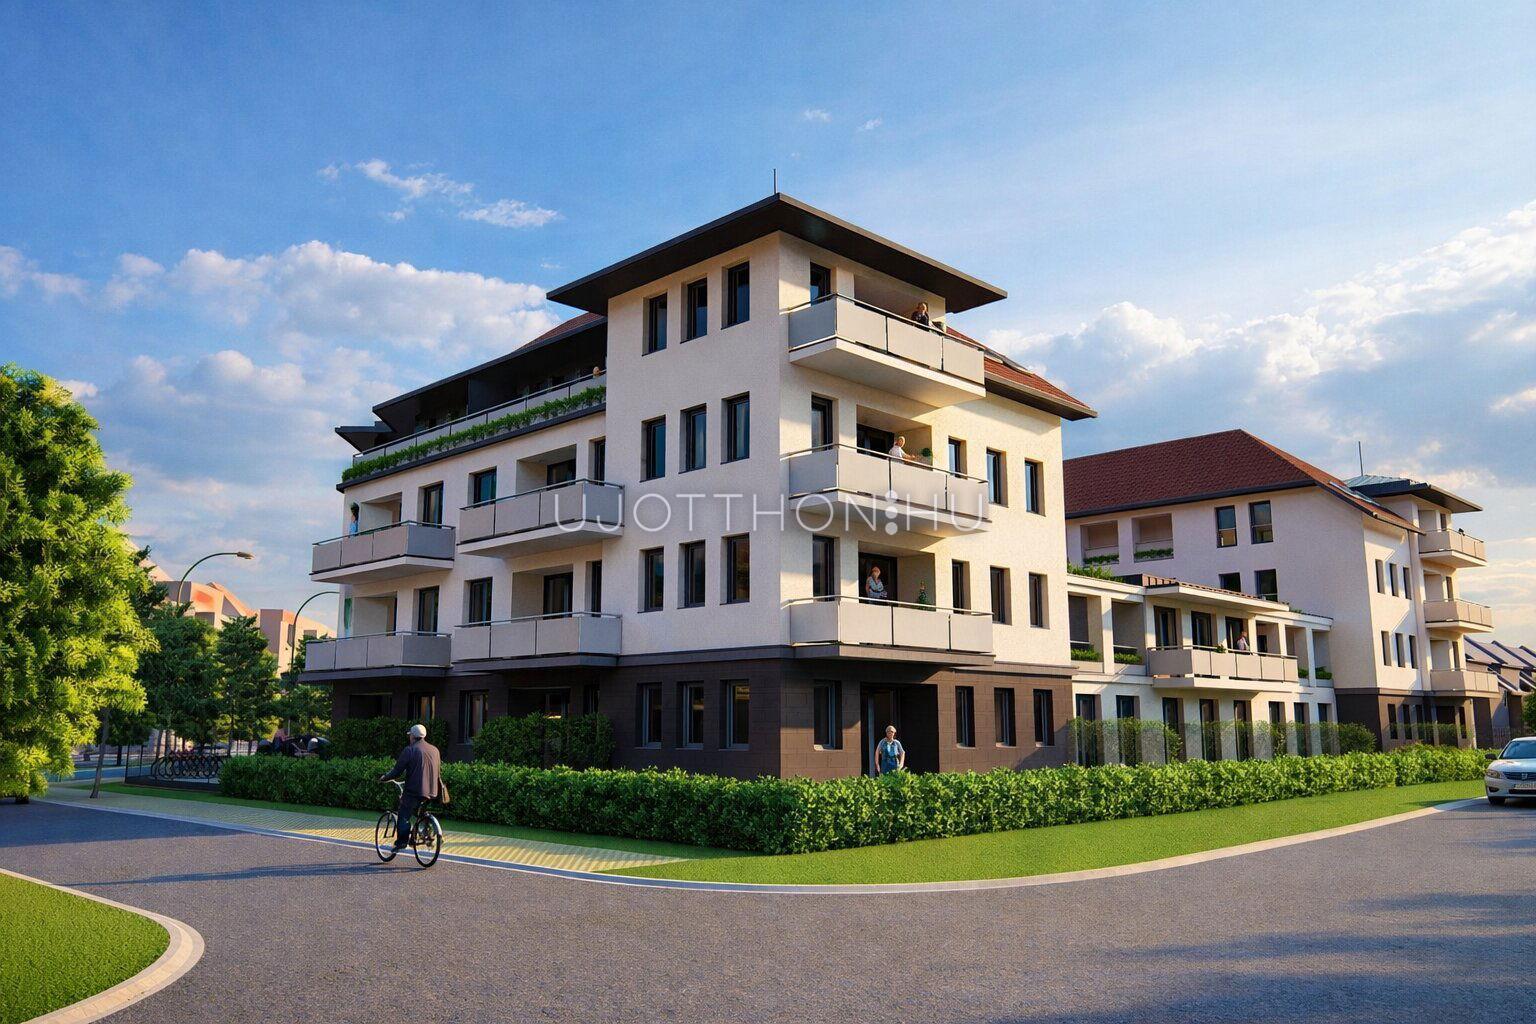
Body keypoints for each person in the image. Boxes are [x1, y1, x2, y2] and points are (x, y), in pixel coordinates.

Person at [379, 723, 443, 851]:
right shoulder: (434, 750)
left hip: (414, 791)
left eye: (410, 735)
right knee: (420, 811)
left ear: (412, 736)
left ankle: (402, 842)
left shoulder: (410, 750)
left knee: (404, 814)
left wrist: (384, 777)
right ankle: (425, 833)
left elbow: (397, 771)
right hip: (433, 790)